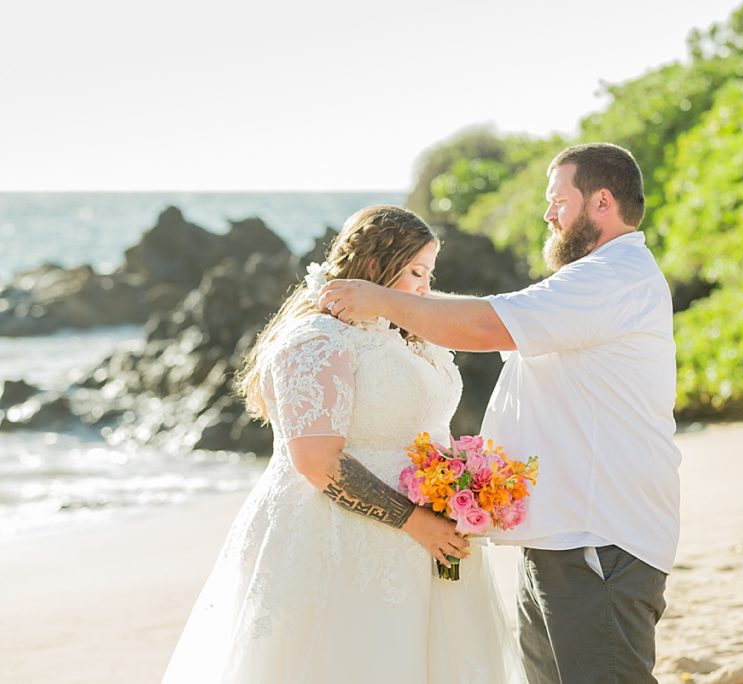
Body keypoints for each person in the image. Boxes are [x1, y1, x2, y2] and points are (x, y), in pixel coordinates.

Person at [320, 143, 681, 683]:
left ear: (602, 201)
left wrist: (381, 300)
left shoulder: (612, 277)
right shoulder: (592, 281)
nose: (548, 214)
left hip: (599, 538)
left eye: (558, 200)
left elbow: (486, 326)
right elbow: (489, 313)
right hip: (562, 535)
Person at [162, 205, 519, 683]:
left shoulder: (407, 336)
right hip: (342, 538)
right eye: (415, 272)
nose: (423, 289)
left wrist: (460, 489)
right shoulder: (315, 341)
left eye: (429, 274)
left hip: (429, 539)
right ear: (373, 267)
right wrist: (417, 523)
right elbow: (315, 462)